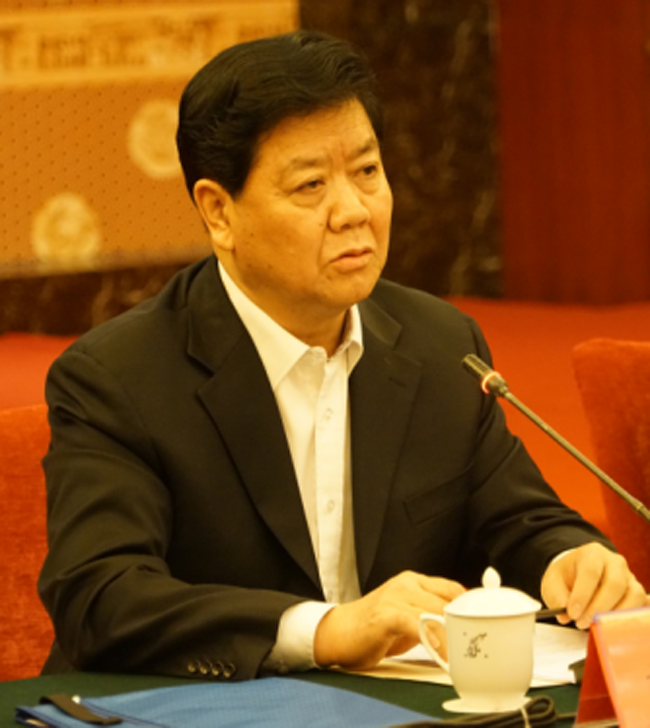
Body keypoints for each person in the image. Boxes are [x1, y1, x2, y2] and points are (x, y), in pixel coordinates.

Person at [38, 29, 646, 681]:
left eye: (367, 172)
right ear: (219, 213)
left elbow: (517, 520)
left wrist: (569, 560)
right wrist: (325, 630)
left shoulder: (441, 346)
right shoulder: (118, 378)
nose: (354, 211)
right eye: (310, 186)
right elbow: (102, 596)